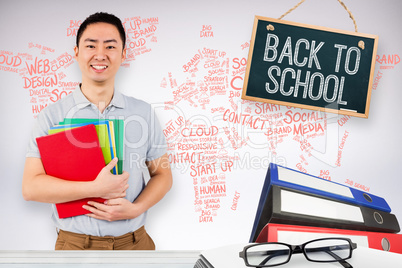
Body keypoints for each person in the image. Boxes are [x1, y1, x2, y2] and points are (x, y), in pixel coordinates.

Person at [22, 12, 172, 250]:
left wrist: (136, 208)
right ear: (76, 53)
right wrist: (97, 188)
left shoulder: (143, 113)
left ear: (123, 55)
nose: (100, 54)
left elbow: (163, 175)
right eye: (91, 45)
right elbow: (31, 188)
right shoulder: (52, 116)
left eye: (110, 46)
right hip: (75, 245)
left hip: (135, 243)